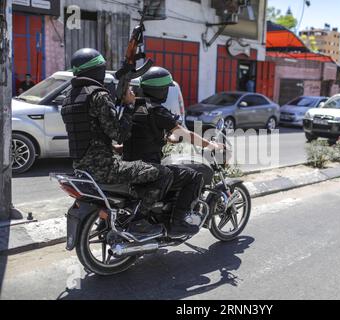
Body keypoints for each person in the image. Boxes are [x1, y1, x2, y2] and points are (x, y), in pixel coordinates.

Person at [61, 48, 172, 237]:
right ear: (97, 70)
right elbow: (119, 134)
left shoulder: (69, 99)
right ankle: (140, 221)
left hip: (81, 169)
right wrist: (129, 105)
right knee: (163, 173)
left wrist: (111, 147)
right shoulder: (98, 96)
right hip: (105, 170)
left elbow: (87, 134)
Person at [122, 67, 225, 237]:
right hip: (148, 168)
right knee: (194, 176)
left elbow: (143, 135)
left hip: (129, 165)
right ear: (160, 90)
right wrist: (210, 145)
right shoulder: (156, 110)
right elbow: (186, 134)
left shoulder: (132, 108)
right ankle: (179, 222)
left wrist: (166, 138)